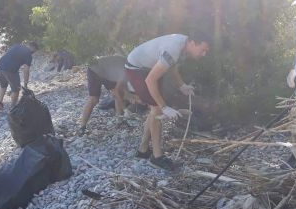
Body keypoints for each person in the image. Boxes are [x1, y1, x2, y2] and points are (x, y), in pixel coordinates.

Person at [125, 32, 211, 171]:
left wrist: (181, 85)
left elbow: (172, 66)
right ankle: (157, 158)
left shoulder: (183, 45)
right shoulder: (174, 48)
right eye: (203, 50)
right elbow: (150, 80)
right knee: (157, 109)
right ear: (193, 43)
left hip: (148, 68)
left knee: (155, 110)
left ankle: (143, 150)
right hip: (137, 69)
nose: (204, 54)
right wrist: (164, 107)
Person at [78, 55, 130, 135]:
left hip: (95, 69)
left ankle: (119, 121)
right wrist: (125, 109)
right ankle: (82, 127)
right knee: (94, 99)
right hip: (96, 70)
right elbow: (117, 91)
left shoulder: (127, 62)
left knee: (94, 99)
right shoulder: (127, 68)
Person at [0, 41, 39, 109]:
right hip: (11, 70)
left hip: (1, 66)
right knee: (16, 90)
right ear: (33, 48)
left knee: (3, 86)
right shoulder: (28, 54)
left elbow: (9, 54)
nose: (34, 52)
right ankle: (13, 108)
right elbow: (26, 70)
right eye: (35, 51)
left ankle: (0, 103)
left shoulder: (17, 45)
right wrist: (25, 85)